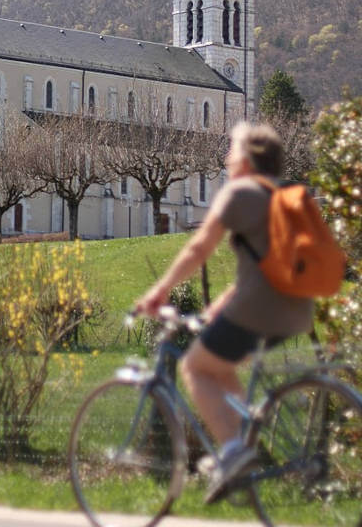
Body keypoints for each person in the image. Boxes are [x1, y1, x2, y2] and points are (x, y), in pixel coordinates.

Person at [135, 121, 314, 503]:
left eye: (232, 151)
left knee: (194, 367)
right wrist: (218, 308)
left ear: (247, 161)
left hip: (261, 310)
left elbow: (198, 249)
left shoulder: (240, 194)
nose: (226, 158)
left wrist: (159, 291)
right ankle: (246, 443)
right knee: (222, 365)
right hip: (296, 310)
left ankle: (233, 452)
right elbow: (266, 266)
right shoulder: (290, 193)